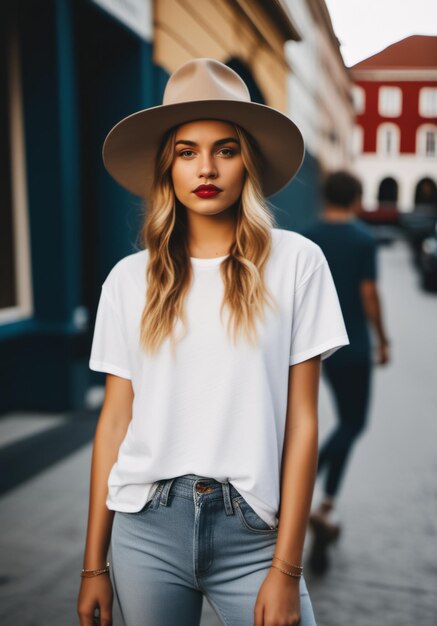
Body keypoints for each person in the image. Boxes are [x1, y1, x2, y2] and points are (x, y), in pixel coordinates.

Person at [76, 58, 350, 626]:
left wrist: (287, 568)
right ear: (167, 167)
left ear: (246, 161)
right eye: (187, 151)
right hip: (145, 527)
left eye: (226, 149)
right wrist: (92, 566)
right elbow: (114, 421)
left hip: (254, 531)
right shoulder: (130, 279)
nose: (207, 167)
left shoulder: (297, 263)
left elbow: (303, 422)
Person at [302, 170, 390, 574]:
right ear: (355, 197)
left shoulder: (307, 237)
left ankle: (324, 506)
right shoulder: (362, 239)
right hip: (352, 345)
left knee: (328, 423)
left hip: (313, 347)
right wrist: (383, 338)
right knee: (353, 423)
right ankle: (310, 491)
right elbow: (368, 294)